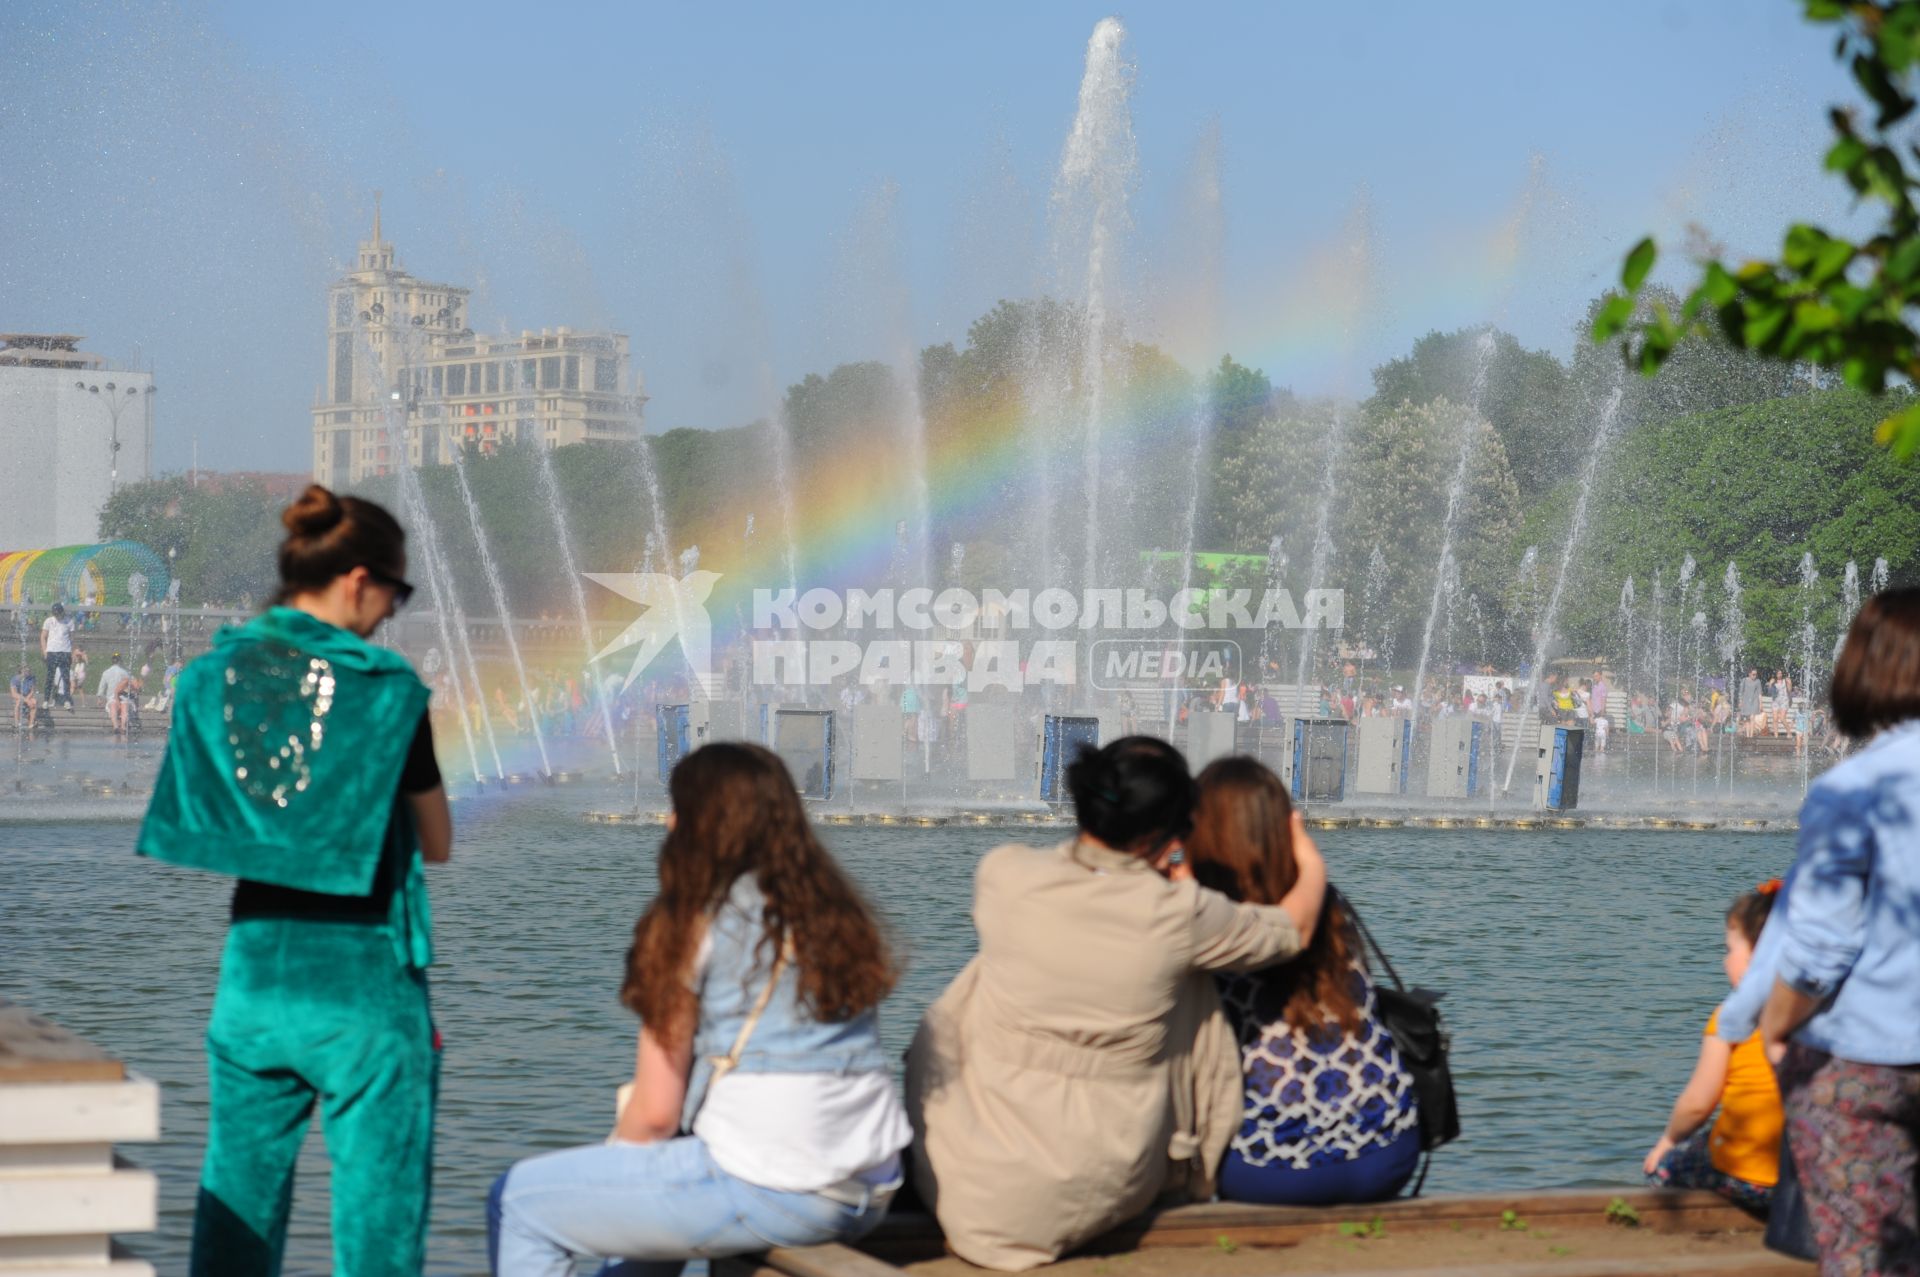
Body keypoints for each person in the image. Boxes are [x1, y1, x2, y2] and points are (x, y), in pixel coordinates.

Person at [137, 484, 450, 1276]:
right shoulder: (386, 690)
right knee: (378, 1228)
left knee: (235, 1216)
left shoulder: (213, 676)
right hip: (363, 991)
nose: (390, 612)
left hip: (252, 983)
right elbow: (438, 841)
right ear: (356, 580)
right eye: (395, 592)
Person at [489, 742, 908, 1275]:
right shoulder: (835, 917)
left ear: (697, 824)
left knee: (519, 1202)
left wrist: (616, 1160)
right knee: (648, 1204)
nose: (668, 821)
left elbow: (656, 1115)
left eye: (678, 807)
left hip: (778, 1187)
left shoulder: (691, 924)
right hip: (869, 1188)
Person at [906, 737, 1324, 1271]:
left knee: (991, 972)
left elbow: (1088, 907)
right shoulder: (1180, 915)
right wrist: (1307, 856)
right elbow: (1296, 927)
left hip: (964, 1184)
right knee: (1188, 979)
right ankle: (1193, 1166)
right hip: (1096, 1186)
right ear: (1174, 826)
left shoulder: (1004, 874)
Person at [1718, 589, 1920, 1276]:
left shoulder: (1854, 788)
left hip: (1864, 1063)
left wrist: (1774, 1025)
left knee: (1868, 1261)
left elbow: (1821, 950)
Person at [1187, 757, 1421, 1206]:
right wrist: (1311, 860)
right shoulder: (1329, 906)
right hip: (1389, 1150)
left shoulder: (1211, 919)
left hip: (1267, 1171)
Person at [1643, 883, 1782, 1214]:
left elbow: (1697, 1104)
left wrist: (1667, 1142)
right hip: (1809, 1182)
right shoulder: (1828, 1012)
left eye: (1731, 949)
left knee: (1663, 1169)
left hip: (1749, 1178)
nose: (1724, 961)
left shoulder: (1731, 1018)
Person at [40, 601, 74, 709]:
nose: (57, 616)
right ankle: (46, 699)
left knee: (66, 677)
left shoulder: (69, 621)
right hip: (52, 652)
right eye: (55, 614)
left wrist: (71, 652)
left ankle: (67, 700)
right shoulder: (48, 621)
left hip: (65, 652)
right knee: (50, 676)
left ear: (62, 612)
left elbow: (72, 638)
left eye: (58, 613)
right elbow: (43, 637)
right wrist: (45, 651)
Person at [97, 653, 133, 736]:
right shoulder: (124, 672)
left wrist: (99, 698)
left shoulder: (106, 672)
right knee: (125, 707)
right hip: (124, 697)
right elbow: (130, 684)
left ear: (112, 661)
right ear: (120, 661)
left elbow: (102, 686)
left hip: (112, 697)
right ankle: (123, 726)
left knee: (113, 705)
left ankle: (115, 726)